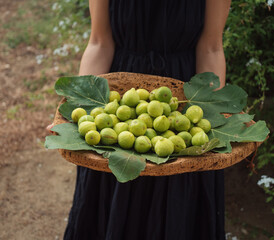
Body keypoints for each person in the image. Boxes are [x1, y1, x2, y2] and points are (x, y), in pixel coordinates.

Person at [48, 0, 231, 239]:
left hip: (183, 110)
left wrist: (212, 122)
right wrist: (77, 111)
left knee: (177, 211)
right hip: (117, 106)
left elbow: (211, 49)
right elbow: (99, 43)